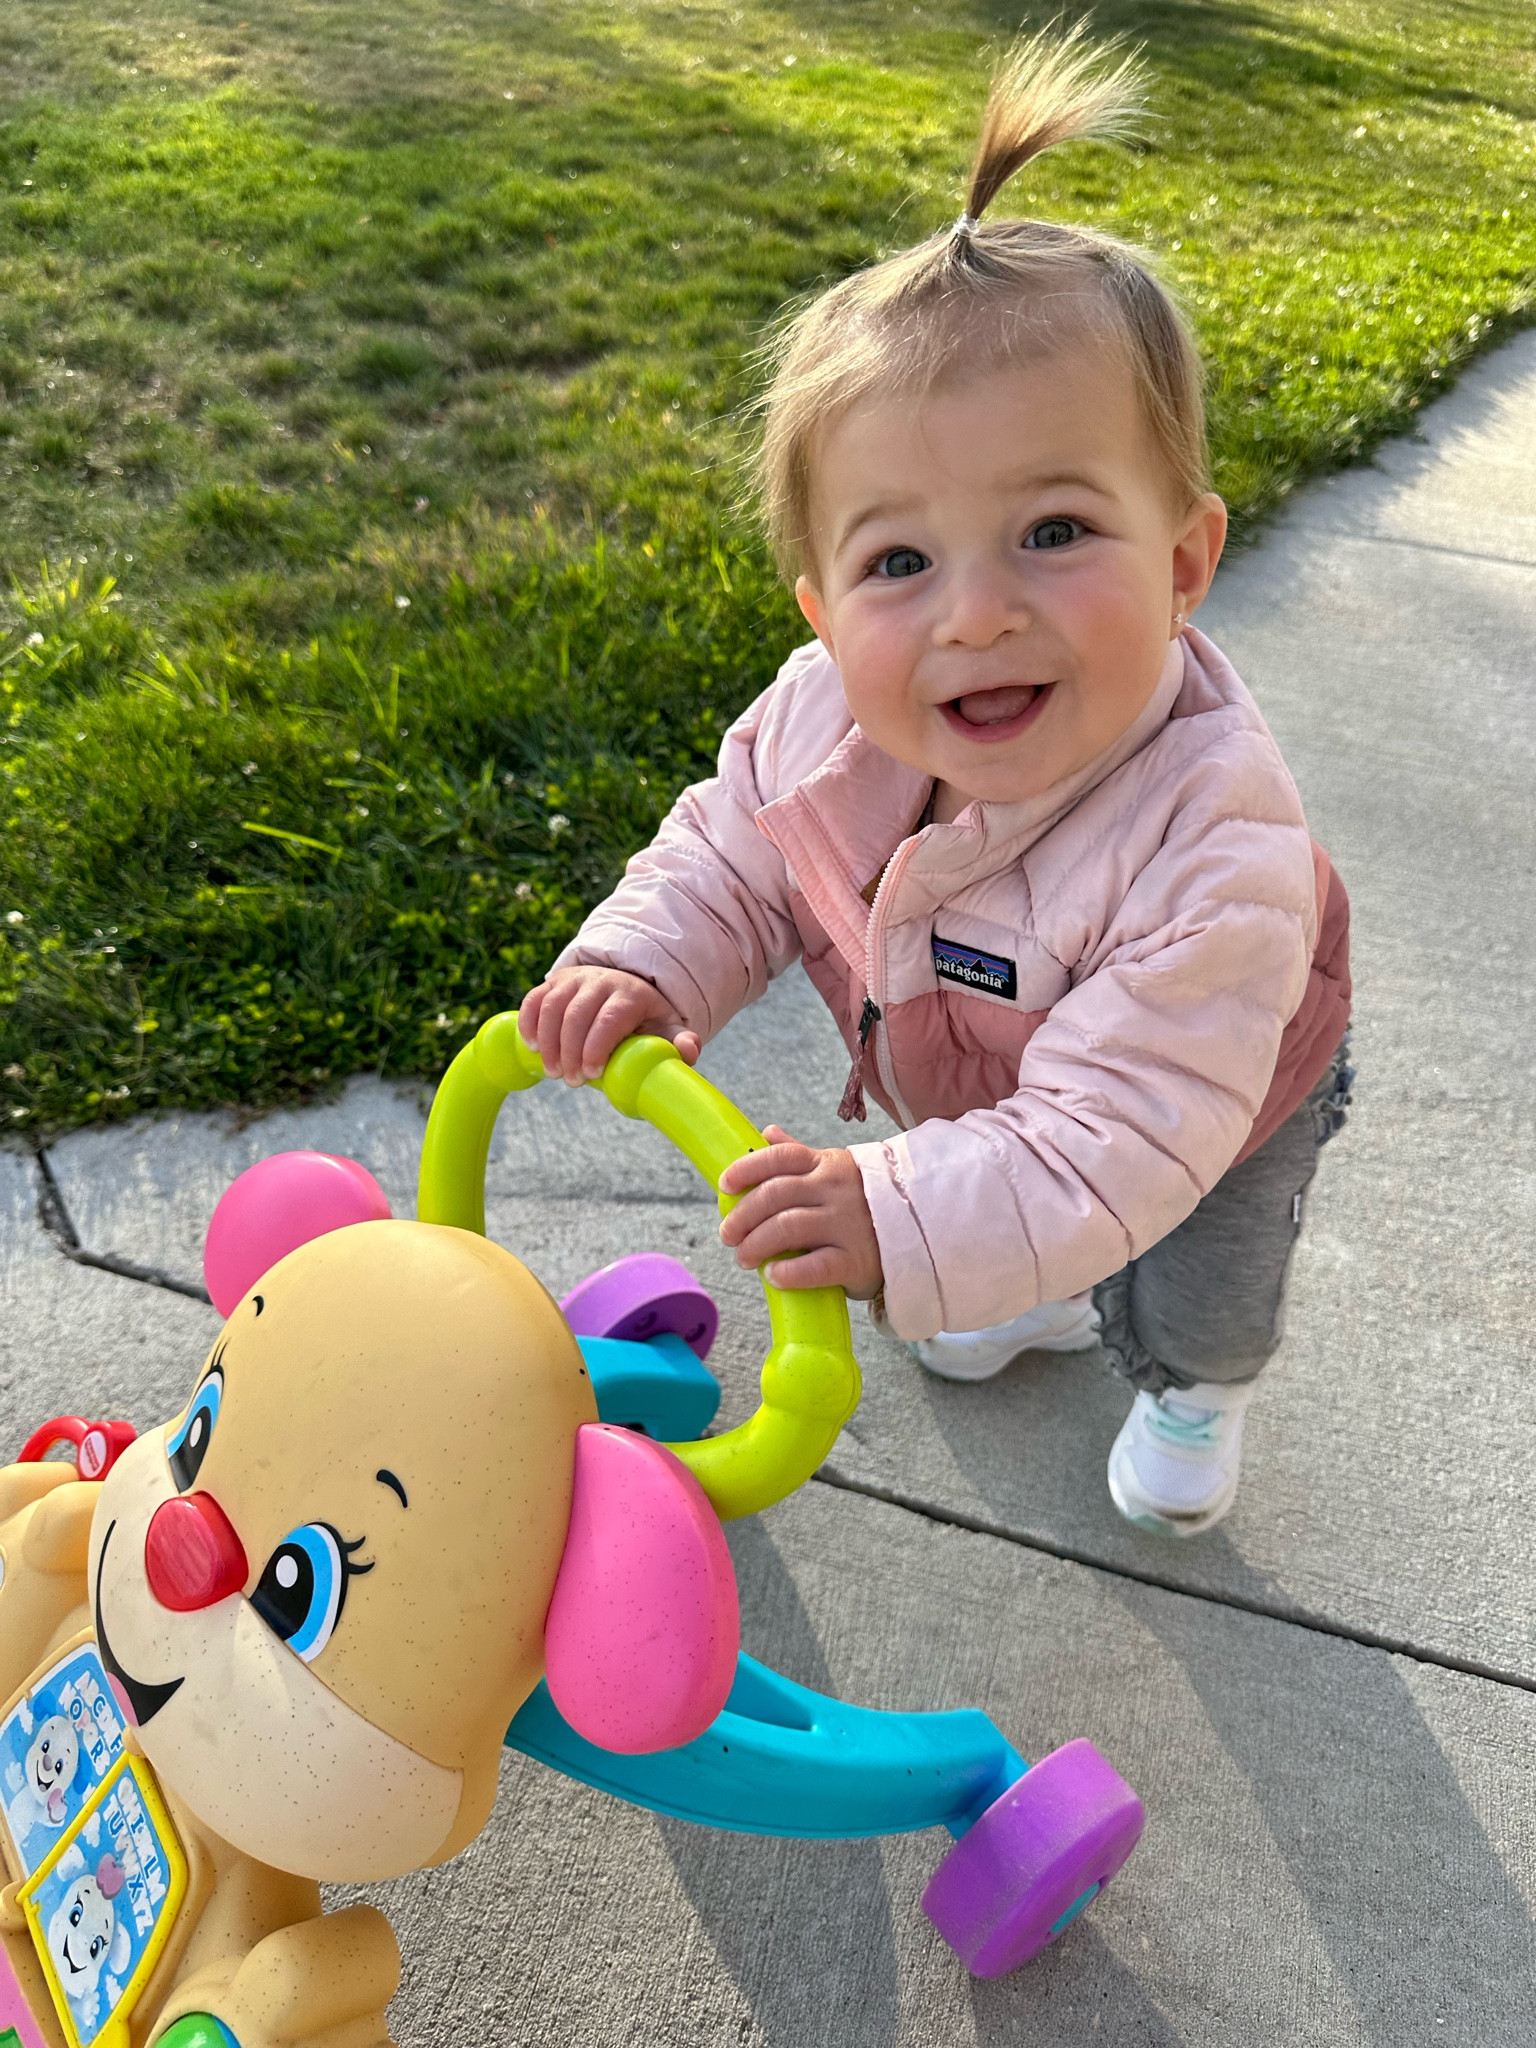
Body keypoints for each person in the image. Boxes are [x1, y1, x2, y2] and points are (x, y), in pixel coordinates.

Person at [518, 27, 1352, 1538]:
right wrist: (648, 961)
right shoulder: (825, 717)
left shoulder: (1217, 847)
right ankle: (1013, 1273)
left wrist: (895, 1211)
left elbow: (1116, 1138)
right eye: (900, 561)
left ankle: (1191, 1389)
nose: (975, 613)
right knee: (1008, 1205)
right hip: (986, 1065)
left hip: (1220, 1088)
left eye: (1052, 531)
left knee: (1194, 1282)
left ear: (1183, 567)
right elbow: (732, 853)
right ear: (824, 615)